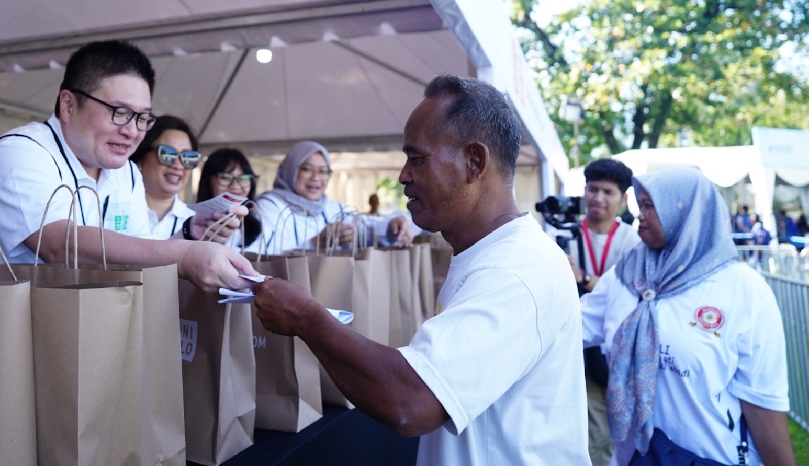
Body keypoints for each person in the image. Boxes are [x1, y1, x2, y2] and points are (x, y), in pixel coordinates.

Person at [253, 75, 590, 464]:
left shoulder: (514, 271)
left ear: (474, 162)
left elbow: (411, 401)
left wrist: (303, 315)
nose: (403, 175)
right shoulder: (493, 254)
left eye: (417, 158)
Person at [0, 40, 256, 291]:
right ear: (68, 104)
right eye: (119, 112)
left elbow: (136, 256)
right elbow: (61, 246)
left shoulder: (126, 172)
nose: (132, 131)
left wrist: (188, 234)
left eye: (142, 117)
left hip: (59, 331)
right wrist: (184, 256)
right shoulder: (20, 153)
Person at [581, 167, 794, 465]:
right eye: (639, 205)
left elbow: (763, 402)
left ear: (686, 212)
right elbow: (571, 328)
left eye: (649, 206)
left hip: (713, 456)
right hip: (632, 458)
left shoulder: (742, 288)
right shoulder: (624, 276)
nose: (639, 214)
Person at [566, 158, 642, 466]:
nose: (598, 198)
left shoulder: (633, 240)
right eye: (592, 189)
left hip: (617, 353)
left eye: (608, 192)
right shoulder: (564, 234)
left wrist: (583, 278)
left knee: (613, 437)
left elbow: (628, 292)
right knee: (588, 435)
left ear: (623, 199)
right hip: (576, 349)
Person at [251, 140, 414, 255]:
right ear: (290, 170)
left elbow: (365, 228)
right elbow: (261, 255)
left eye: (323, 171)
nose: (316, 177)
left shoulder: (332, 208)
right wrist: (316, 243)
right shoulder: (270, 205)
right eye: (307, 169)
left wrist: (393, 225)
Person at [130, 115, 200, 239]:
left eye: (188, 156)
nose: (178, 165)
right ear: (141, 157)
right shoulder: (117, 205)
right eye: (167, 154)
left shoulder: (196, 223)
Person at [195, 147, 262, 250]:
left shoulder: (258, 224)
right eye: (225, 177)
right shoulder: (193, 224)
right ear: (208, 181)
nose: (235, 185)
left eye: (243, 178)